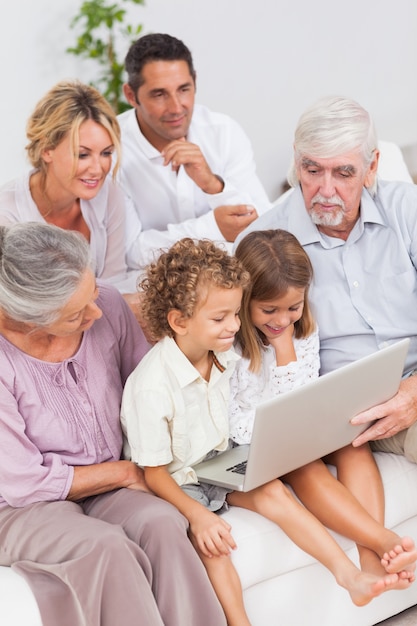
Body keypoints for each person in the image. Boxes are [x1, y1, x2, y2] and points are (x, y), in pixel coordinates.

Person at [121, 238, 411, 626]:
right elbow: (154, 471)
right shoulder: (153, 383)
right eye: (222, 318)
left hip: (221, 461)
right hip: (183, 478)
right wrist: (196, 515)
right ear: (179, 321)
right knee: (213, 543)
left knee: (276, 491)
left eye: (235, 316)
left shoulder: (220, 352)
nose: (234, 327)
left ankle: (352, 575)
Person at [0, 222, 227, 626]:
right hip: (21, 507)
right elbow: (22, 482)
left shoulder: (106, 305)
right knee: (106, 548)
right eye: (76, 314)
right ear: (29, 318)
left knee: (163, 524)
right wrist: (125, 471)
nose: (98, 311)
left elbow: (150, 389)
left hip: (110, 485)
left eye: (92, 293)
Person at [235, 94, 417, 461]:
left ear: (371, 166)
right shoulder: (263, 245)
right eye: (312, 170)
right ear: (296, 161)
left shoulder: (406, 208)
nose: (326, 190)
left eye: (344, 172)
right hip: (353, 412)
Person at [232, 228, 416, 584]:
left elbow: (305, 398)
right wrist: (284, 355)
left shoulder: (303, 328)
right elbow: (237, 427)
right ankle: (383, 540)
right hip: (254, 445)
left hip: (299, 435)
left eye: (293, 307)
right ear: (244, 299)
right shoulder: (233, 347)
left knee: (354, 445)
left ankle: (371, 560)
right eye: (269, 309)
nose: (282, 320)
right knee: (305, 468)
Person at [117, 33, 271, 269]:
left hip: (228, 285)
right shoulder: (111, 149)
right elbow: (129, 253)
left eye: (184, 89)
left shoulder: (223, 132)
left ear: (195, 82)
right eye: (159, 94)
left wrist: (213, 186)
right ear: (131, 96)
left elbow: (262, 225)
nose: (177, 107)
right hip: (150, 292)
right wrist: (212, 229)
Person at [0, 80, 138, 294]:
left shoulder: (109, 193)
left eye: (106, 153)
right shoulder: (8, 214)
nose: (98, 169)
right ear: (47, 149)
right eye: (83, 154)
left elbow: (115, 285)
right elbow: (22, 306)